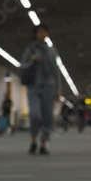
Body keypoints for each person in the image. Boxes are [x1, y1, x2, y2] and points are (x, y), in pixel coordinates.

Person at [21, 24, 61, 155]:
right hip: (33, 86)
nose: (42, 34)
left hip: (49, 86)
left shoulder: (52, 50)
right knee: (35, 114)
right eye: (40, 32)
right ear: (35, 34)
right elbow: (22, 66)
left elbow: (56, 72)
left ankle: (44, 143)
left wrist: (58, 90)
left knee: (47, 116)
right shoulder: (30, 49)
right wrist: (32, 60)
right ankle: (33, 140)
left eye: (44, 32)